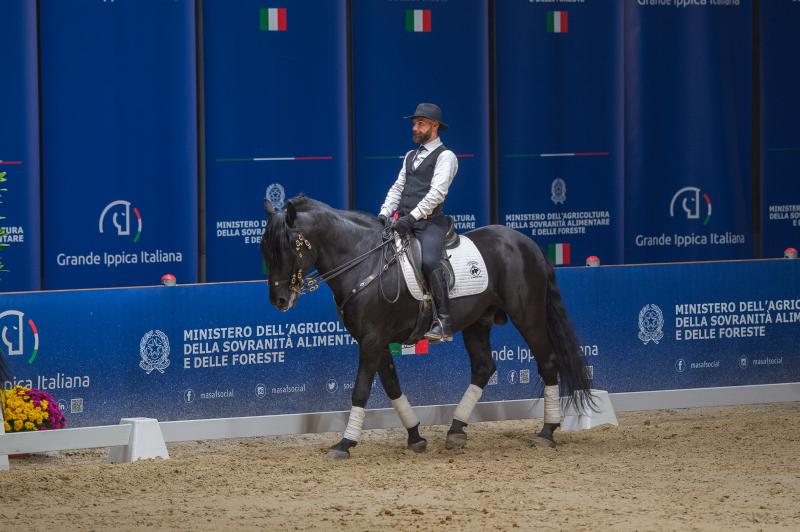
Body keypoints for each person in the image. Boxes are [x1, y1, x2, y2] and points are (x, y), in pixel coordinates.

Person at [378, 103, 458, 342]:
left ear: (434, 126)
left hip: (429, 224)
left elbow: (437, 194)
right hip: (402, 220)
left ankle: (444, 321)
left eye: (420, 123)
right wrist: (384, 212)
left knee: (430, 260)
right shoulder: (410, 156)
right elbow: (398, 187)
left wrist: (411, 217)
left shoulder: (446, 156)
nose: (414, 128)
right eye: (414, 123)